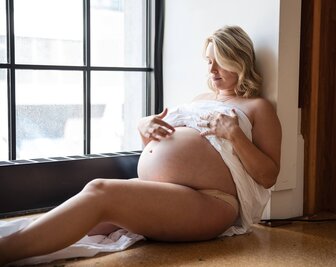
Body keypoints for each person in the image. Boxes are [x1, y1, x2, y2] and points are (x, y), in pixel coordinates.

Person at [0, 25, 281, 265]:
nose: (212, 69)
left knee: (100, 191)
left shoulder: (258, 107)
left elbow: (268, 175)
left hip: (212, 200)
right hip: (172, 190)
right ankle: (12, 244)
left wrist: (235, 135)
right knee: (84, 206)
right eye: (208, 61)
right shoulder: (200, 98)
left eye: (219, 61)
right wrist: (145, 130)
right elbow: (165, 151)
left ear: (240, 60)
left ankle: (4, 252)